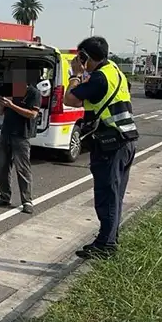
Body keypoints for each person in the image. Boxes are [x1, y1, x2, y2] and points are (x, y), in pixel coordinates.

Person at [64, 36, 138, 259]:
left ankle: (105, 245)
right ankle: (110, 239)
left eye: (80, 57)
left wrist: (76, 75)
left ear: (85, 56)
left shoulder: (98, 78)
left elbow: (70, 99)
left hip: (110, 145)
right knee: (115, 195)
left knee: (106, 195)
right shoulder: (114, 69)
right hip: (126, 140)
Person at [0, 66, 42, 214]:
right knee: (1, 167)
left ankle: (27, 201)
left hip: (21, 135)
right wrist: (2, 104)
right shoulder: (12, 92)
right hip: (6, 132)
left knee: (22, 169)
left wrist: (12, 105)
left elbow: (32, 114)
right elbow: (1, 113)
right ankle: (4, 196)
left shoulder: (34, 93)